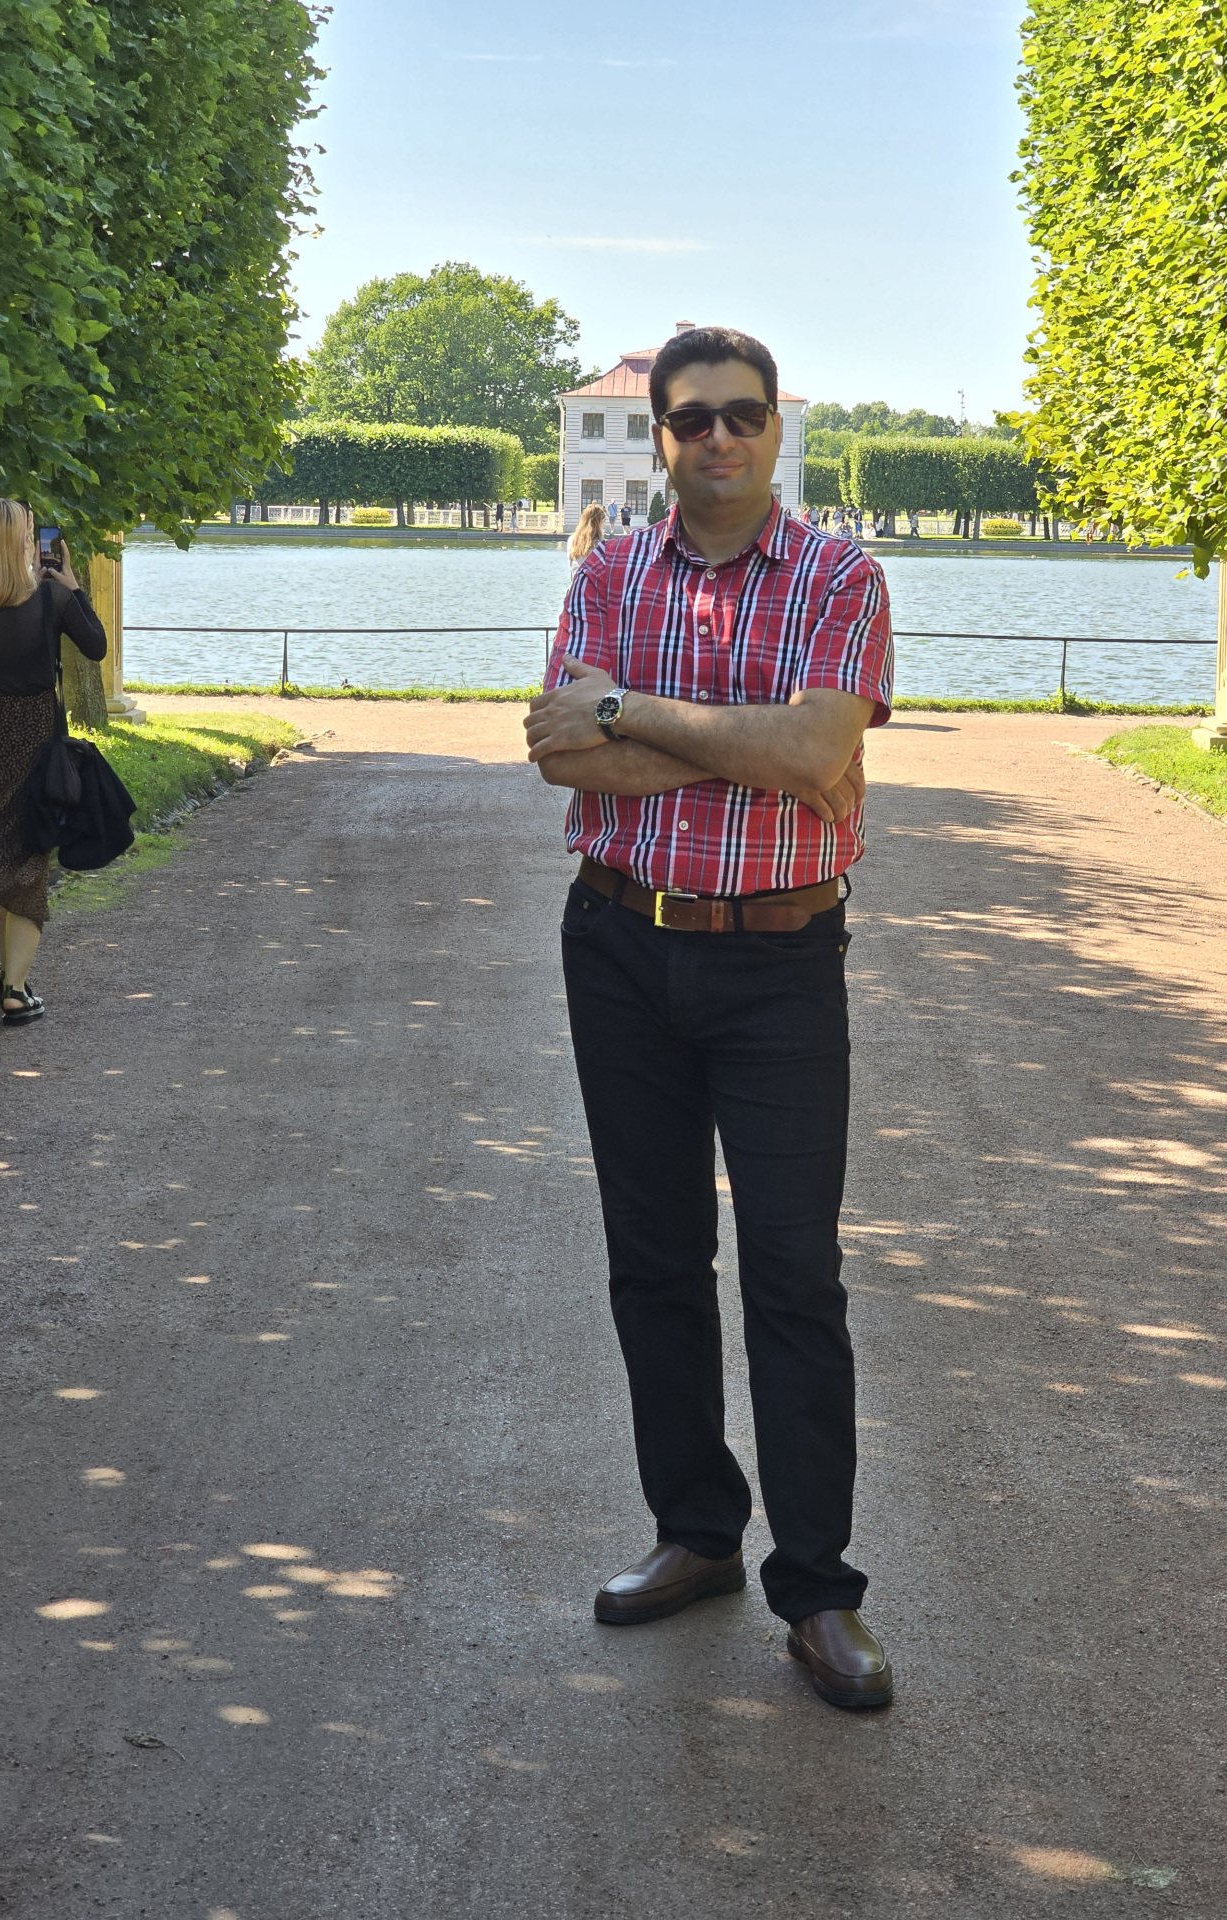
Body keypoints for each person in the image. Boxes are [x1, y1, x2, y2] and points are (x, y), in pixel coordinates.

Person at [525, 325, 896, 1710]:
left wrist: (635, 713)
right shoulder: (606, 572)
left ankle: (819, 1590)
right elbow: (561, 751)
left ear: (777, 427)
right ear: (665, 437)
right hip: (620, 944)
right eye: (694, 420)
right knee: (656, 1261)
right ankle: (694, 1532)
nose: (720, 438)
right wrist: (748, 741)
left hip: (780, 960)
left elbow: (816, 748)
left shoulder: (841, 578)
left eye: (744, 415)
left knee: (795, 1275)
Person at [0, 499, 107, 1026]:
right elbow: (95, 646)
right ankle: (15, 990)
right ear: (23, 542)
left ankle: (9, 973)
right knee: (29, 864)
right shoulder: (52, 597)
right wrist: (74, 587)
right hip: (36, 740)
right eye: (29, 533)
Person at [566, 502, 608, 575]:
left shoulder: (572, 540)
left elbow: (570, 563)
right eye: (603, 521)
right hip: (593, 581)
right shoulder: (602, 544)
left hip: (577, 580)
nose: (603, 525)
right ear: (599, 523)